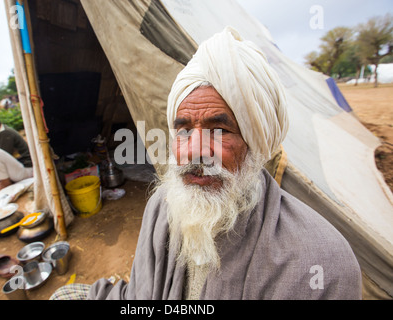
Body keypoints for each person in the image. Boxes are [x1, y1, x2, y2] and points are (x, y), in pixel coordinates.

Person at [51, 27, 362, 300]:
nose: (195, 151)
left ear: (256, 144)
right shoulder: (162, 205)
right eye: (184, 130)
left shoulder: (321, 262)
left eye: (220, 130)